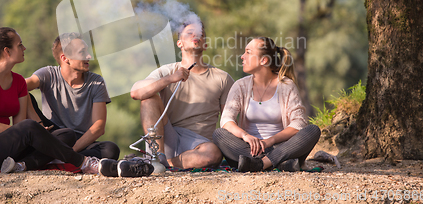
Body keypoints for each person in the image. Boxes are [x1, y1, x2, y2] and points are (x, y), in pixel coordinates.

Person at [0, 27, 152, 177]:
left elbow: (18, 127)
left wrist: (19, 131)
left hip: (7, 148)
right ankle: (84, 163)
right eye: (20, 45)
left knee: (73, 137)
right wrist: (5, 131)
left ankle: (27, 163)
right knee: (33, 128)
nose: (24, 48)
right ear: (7, 51)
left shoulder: (18, 81)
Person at [131, 21, 234, 169]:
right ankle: (157, 156)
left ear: (205, 45)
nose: (195, 35)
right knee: (148, 98)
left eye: (200, 34)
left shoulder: (222, 78)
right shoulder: (167, 71)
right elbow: (136, 92)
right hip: (167, 137)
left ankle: (163, 164)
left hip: (200, 145)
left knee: (213, 153)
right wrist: (170, 79)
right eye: (189, 33)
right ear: (180, 43)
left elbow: (228, 120)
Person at [212, 37, 321, 172]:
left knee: (313, 130)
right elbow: (226, 120)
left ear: (263, 60)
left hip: (280, 147)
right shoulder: (240, 85)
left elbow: (298, 123)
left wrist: (270, 141)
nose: (242, 57)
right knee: (219, 133)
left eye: (248, 52)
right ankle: (278, 163)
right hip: (249, 149)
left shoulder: (286, 86)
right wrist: (245, 136)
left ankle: (259, 164)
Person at [25, 32, 119, 160]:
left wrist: (69, 151)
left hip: (80, 141)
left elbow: (98, 127)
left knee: (111, 149)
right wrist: (38, 123)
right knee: (25, 95)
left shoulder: (97, 82)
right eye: (82, 52)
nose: (89, 56)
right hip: (53, 135)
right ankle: (68, 160)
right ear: (65, 58)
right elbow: (20, 87)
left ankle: (54, 159)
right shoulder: (48, 74)